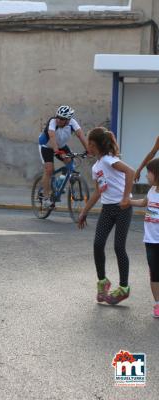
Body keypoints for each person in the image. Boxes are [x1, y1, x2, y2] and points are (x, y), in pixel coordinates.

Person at [78, 127, 134, 305]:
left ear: (96, 145)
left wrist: (126, 198)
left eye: (90, 144)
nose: (88, 147)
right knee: (98, 244)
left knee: (119, 247)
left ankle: (123, 288)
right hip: (107, 209)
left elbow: (130, 172)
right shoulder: (96, 167)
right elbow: (98, 192)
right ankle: (103, 283)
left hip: (123, 208)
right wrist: (84, 211)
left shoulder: (110, 160)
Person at [39, 105, 88, 208]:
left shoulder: (72, 123)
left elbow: (81, 135)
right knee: (49, 170)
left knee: (70, 164)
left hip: (61, 146)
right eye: (58, 117)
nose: (59, 120)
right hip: (46, 146)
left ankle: (59, 183)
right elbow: (51, 136)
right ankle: (45, 198)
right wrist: (56, 151)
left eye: (62, 119)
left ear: (68, 120)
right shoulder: (53, 122)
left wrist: (89, 150)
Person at [130, 158, 159, 317]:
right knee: (155, 273)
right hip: (150, 240)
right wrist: (129, 202)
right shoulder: (151, 191)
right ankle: (157, 304)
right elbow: (143, 203)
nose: (146, 176)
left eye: (149, 172)